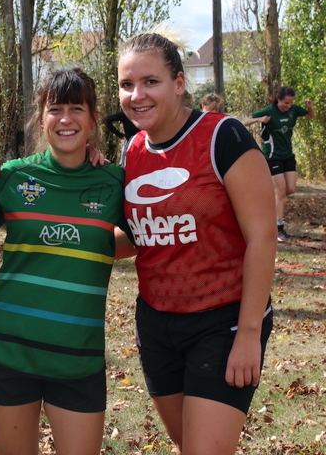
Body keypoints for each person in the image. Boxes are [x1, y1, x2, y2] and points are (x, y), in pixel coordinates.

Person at [117, 30, 277, 455]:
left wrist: (248, 333)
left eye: (151, 81)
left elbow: (262, 237)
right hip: (156, 322)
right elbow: (136, 237)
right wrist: (59, 237)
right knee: (188, 442)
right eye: (126, 84)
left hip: (222, 320)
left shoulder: (223, 136)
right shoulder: (130, 150)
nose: (137, 94)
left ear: (179, 83)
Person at [0, 68, 130, 455]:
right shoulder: (12, 176)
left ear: (93, 118)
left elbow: (148, 236)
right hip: (7, 349)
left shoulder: (115, 182)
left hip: (78, 357)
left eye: (78, 108)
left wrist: (91, 252)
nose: (66, 118)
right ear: (41, 118)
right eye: (55, 108)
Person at [243, 86, 315, 241]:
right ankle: (278, 229)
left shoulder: (294, 110)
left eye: (290, 103)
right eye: (285, 103)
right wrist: (259, 120)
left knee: (290, 189)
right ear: (278, 100)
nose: (288, 106)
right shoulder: (268, 110)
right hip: (272, 155)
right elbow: (245, 121)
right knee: (281, 191)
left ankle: (266, 201)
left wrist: (310, 107)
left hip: (288, 155)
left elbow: (310, 116)